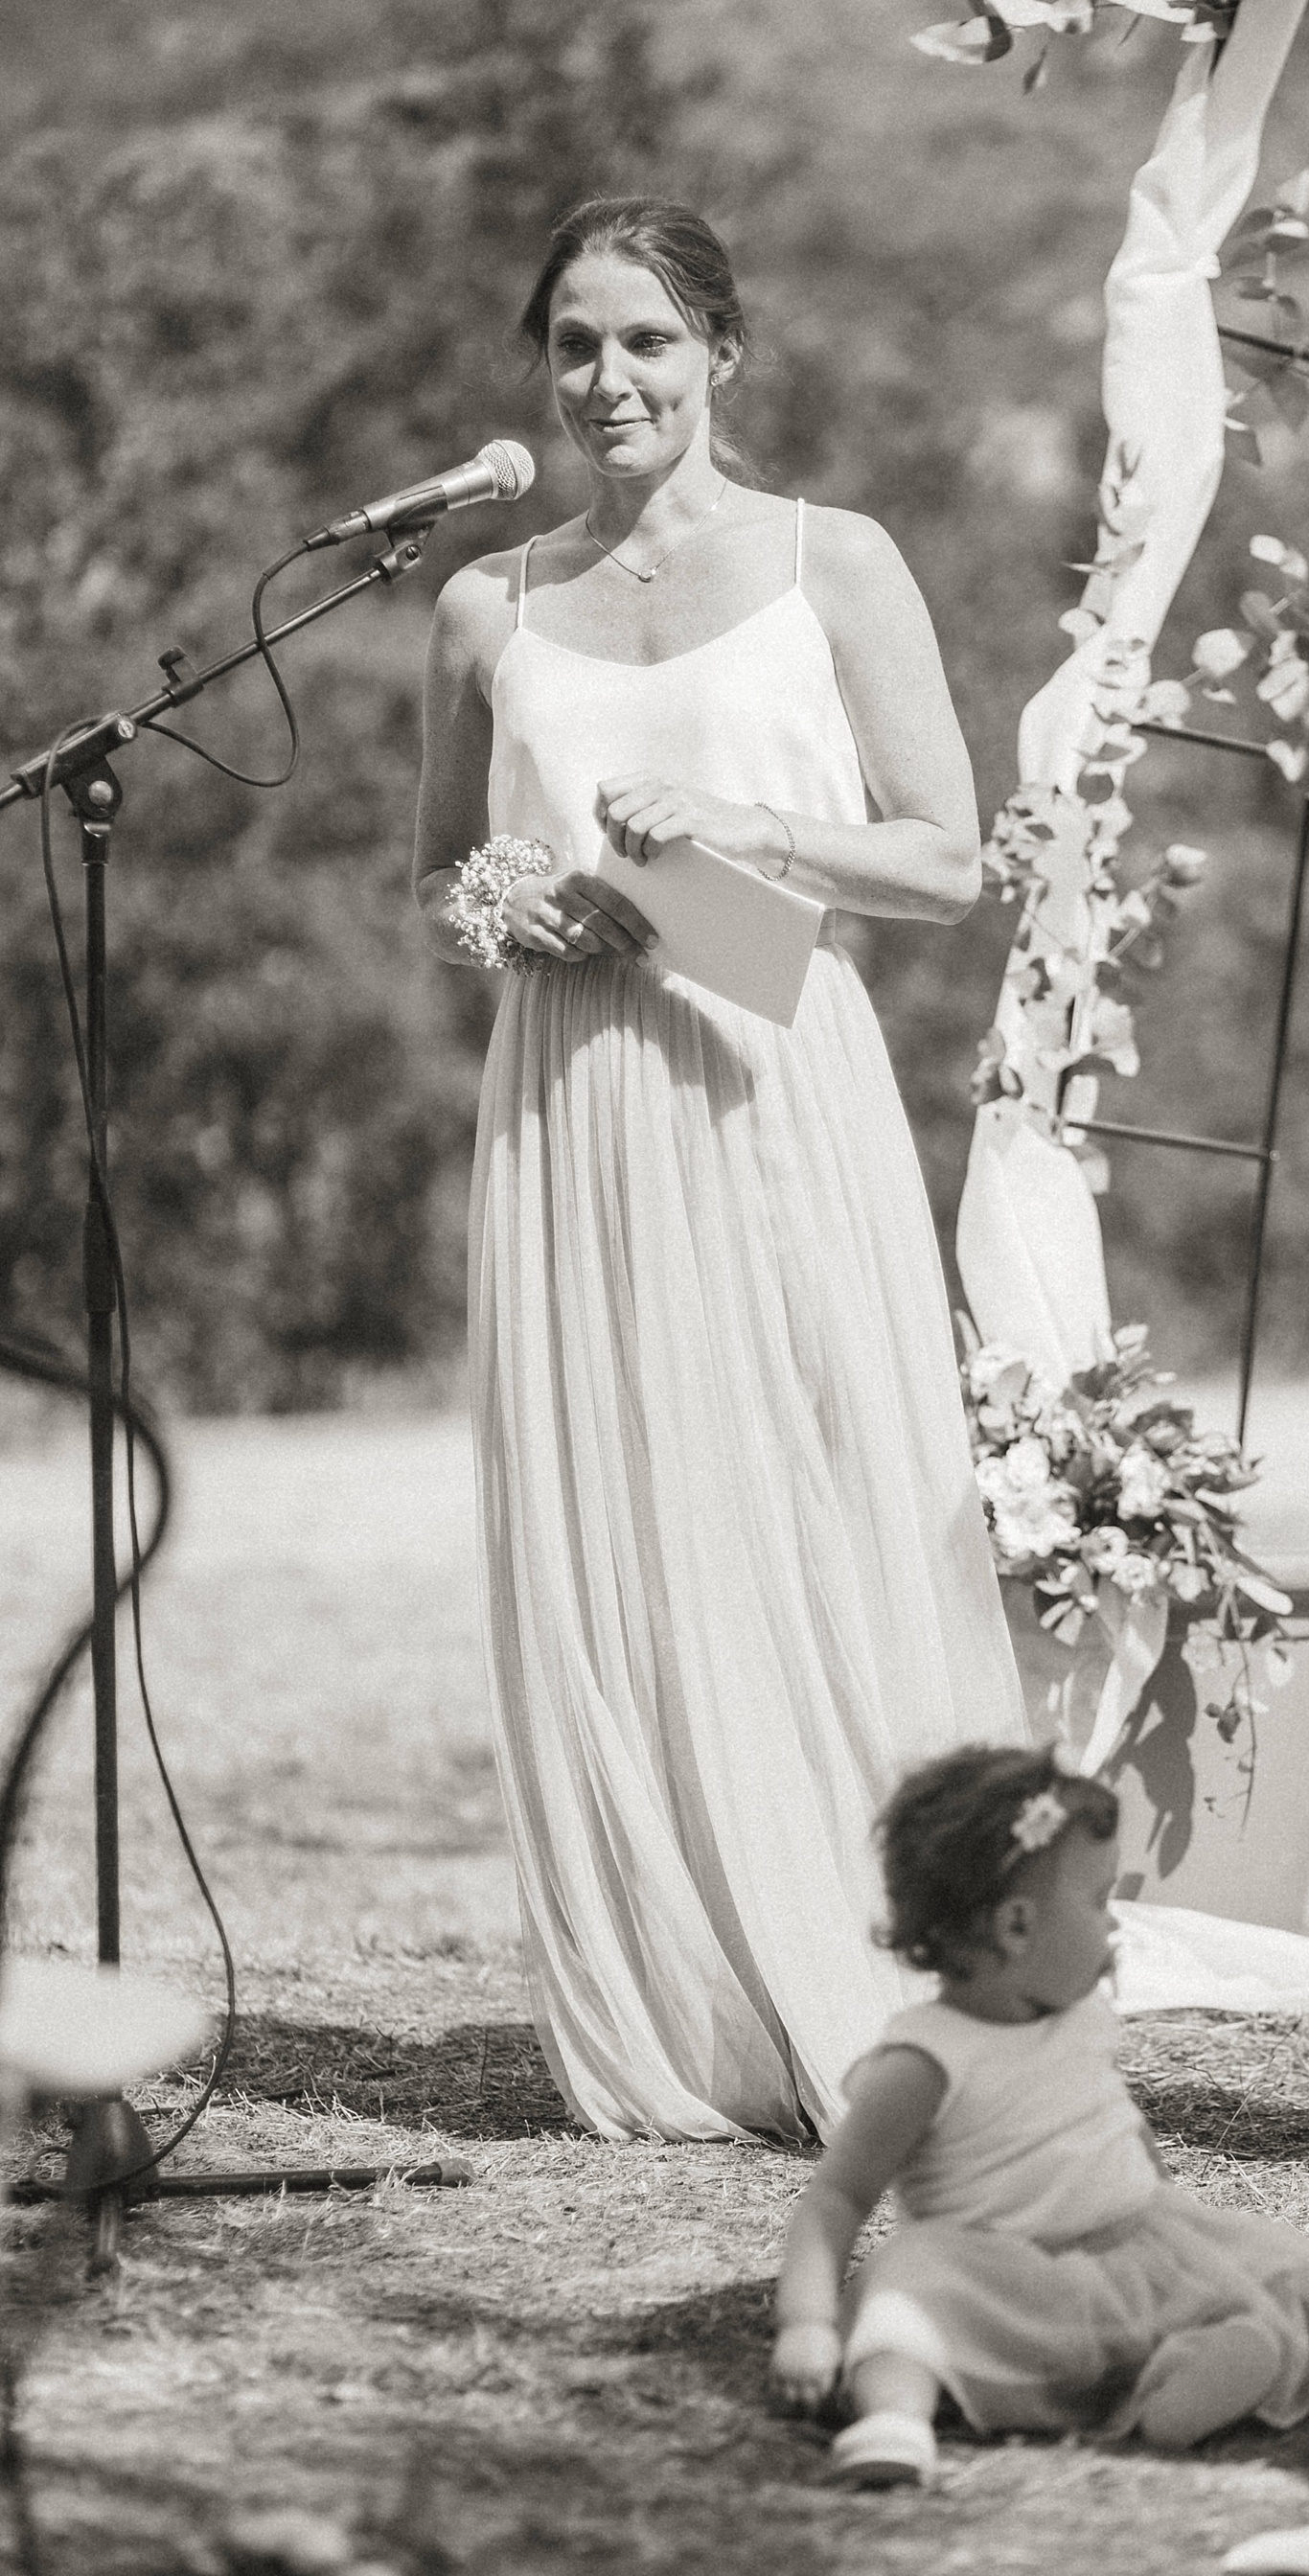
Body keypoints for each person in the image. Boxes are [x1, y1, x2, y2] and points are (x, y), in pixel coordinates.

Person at [412, 196, 1028, 2144]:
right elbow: (439, 866)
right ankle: (683, 1991)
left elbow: (952, 860)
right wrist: (515, 909)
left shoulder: (834, 563)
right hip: (579, 1099)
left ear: (724, 358)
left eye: (651, 344)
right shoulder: (485, 606)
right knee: (632, 1524)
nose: (610, 381)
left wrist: (745, 827)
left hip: (778, 1076)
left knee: (822, 1490)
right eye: (579, 345)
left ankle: (881, 1960)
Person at [769, 1743, 1309, 2488]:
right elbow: (836, 2200)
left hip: (1127, 2251)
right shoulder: (923, 2060)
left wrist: (1157, 2193)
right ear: (1017, 1927)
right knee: (909, 2285)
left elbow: (1108, 2117)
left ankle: (1188, 2381)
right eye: (1098, 1902)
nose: (1114, 1924)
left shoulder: (1083, 2014)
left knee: (1270, 2272)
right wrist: (805, 2322)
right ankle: (894, 2417)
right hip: (998, 2282)